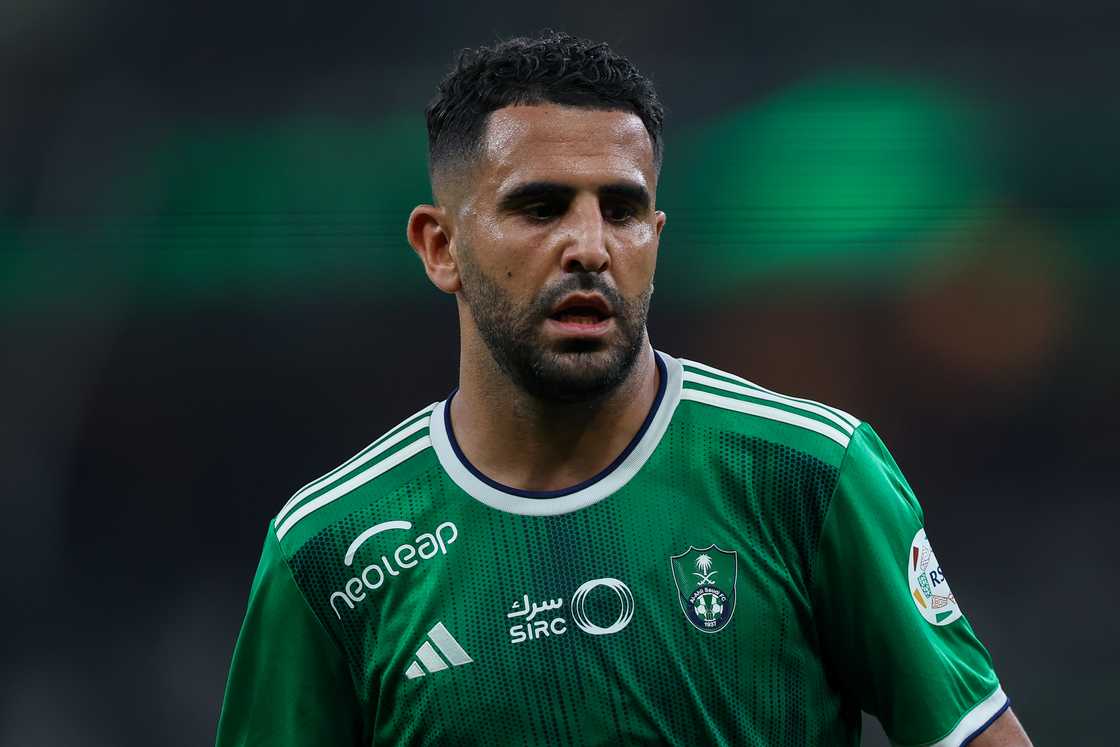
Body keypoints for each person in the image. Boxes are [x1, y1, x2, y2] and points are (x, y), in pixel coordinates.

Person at [216, 31, 1032, 746]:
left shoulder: (809, 473)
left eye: (622, 209)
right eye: (539, 208)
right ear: (440, 246)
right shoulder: (327, 552)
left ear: (656, 235)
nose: (589, 246)